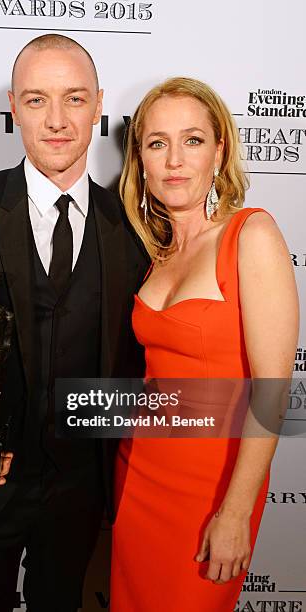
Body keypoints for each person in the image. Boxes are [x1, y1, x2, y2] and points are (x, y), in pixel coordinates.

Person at [0, 35, 148, 612]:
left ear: (98, 105)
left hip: (79, 497)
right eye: (37, 100)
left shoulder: (134, 228)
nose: (58, 120)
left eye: (73, 99)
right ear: (14, 108)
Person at [110, 77, 298, 611]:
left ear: (219, 152)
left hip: (210, 490)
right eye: (156, 142)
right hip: (138, 474)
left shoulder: (250, 236)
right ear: (140, 160)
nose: (174, 159)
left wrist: (236, 511)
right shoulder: (155, 256)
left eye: (192, 140)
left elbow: (273, 391)